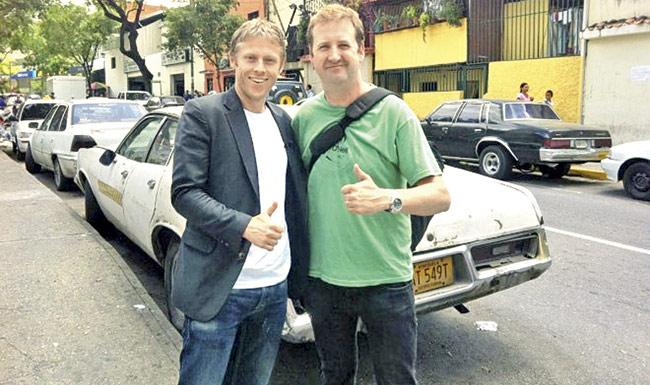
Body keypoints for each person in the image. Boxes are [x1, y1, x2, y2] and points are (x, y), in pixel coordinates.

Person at [292, 4, 451, 385]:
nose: (334, 55)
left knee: (396, 379)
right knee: (336, 375)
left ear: (360, 50)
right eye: (324, 46)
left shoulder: (394, 112)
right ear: (311, 57)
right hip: (323, 281)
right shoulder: (302, 119)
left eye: (343, 45)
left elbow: (440, 195)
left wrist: (388, 199)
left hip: (386, 281)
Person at [171, 18, 309, 385]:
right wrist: (243, 225)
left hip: (274, 287)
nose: (259, 69)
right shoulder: (204, 113)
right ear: (234, 60)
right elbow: (184, 193)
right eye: (251, 58)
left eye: (269, 60)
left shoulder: (283, 120)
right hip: (220, 286)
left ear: (281, 65)